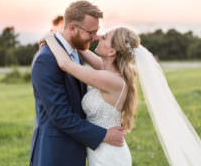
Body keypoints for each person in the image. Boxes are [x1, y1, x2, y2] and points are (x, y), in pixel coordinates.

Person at [29, 0, 126, 166]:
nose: (95, 37)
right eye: (91, 32)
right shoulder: (46, 59)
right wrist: (104, 134)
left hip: (78, 151)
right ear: (72, 27)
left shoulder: (74, 52)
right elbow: (60, 116)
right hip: (55, 153)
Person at [43, 27, 139, 166]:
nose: (98, 37)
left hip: (109, 156)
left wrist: (49, 37)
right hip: (101, 150)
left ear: (112, 52)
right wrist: (69, 36)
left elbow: (65, 64)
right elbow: (82, 49)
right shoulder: (106, 69)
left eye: (104, 37)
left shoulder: (111, 80)